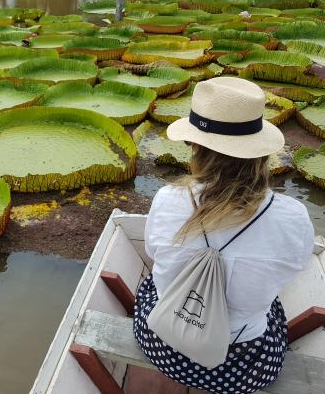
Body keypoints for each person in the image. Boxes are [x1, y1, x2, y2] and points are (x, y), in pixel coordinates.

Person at [132, 77, 314, 394]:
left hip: (164, 347)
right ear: (259, 152)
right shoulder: (293, 218)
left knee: (152, 282)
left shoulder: (167, 199)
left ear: (195, 146)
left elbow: (154, 252)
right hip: (245, 366)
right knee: (270, 301)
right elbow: (294, 269)